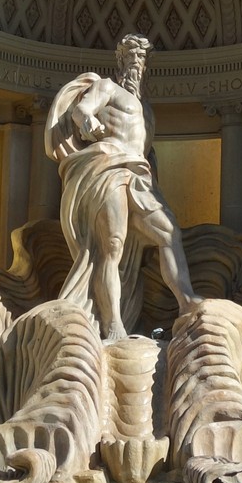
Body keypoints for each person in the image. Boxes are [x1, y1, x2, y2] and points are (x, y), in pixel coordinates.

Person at [45, 33, 199, 341]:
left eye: (140, 61)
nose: (135, 67)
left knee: (169, 233)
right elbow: (81, 110)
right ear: (120, 62)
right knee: (112, 246)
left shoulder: (147, 110)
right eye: (130, 59)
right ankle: (113, 324)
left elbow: (147, 150)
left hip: (139, 174)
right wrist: (88, 122)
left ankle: (187, 302)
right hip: (108, 165)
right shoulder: (107, 87)